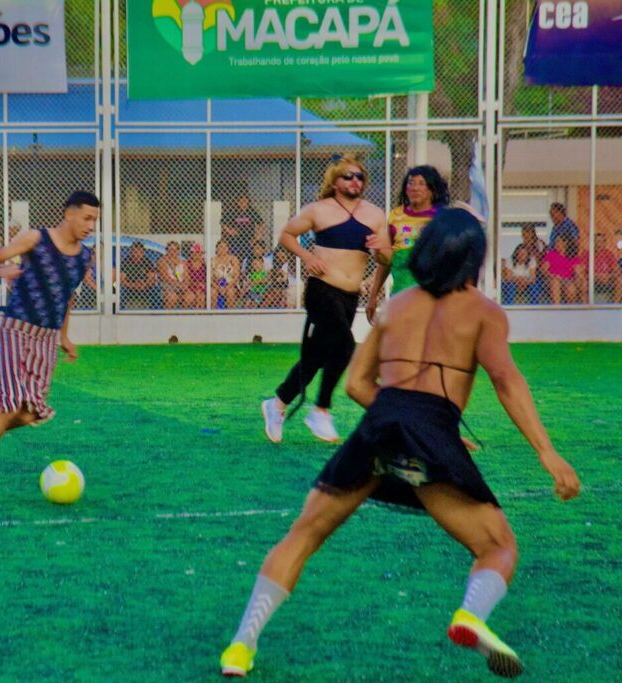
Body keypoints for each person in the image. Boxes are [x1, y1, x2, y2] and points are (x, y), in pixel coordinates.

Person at [220, 208, 581, 679]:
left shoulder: (398, 306)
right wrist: (545, 452)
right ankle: (471, 615)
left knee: (303, 535)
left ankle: (240, 647)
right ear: (474, 258)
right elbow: (506, 380)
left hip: (379, 425)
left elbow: (356, 385)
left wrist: (402, 419)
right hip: (429, 431)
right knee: (498, 547)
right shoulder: (484, 312)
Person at [0, 191, 98, 501]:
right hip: (16, 330)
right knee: (8, 407)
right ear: (69, 214)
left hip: (47, 338)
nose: (91, 226)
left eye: (95, 220)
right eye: (87, 218)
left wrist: (64, 336)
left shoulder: (85, 256)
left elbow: (67, 297)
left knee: (31, 413)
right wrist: (0, 270)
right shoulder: (35, 238)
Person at [262, 154, 388, 444]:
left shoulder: (375, 215)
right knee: (345, 344)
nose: (355, 181)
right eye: (348, 176)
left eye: (359, 176)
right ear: (334, 181)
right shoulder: (318, 210)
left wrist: (381, 249)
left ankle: (277, 403)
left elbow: (386, 258)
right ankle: (321, 410)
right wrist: (307, 257)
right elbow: (286, 235)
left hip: (350, 296)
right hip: (322, 290)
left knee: (316, 357)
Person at [365, 165, 450, 323]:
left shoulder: (443, 217)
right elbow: (387, 261)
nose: (415, 188)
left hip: (433, 300)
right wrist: (373, 295)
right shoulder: (395, 216)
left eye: (421, 183)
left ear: (432, 190)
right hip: (401, 298)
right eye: (411, 183)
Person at [221, 194, 264, 268]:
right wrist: (230, 231)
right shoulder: (233, 211)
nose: (243, 203)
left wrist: (257, 237)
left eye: (245, 201)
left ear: (248, 201)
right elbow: (222, 223)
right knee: (235, 258)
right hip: (235, 241)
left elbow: (261, 224)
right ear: (238, 202)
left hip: (249, 241)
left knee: (248, 259)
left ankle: (246, 272)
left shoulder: (251, 211)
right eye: (241, 201)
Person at [542, 233, 585, 305]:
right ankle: (557, 307)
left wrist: (579, 275)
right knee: (555, 283)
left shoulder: (572, 256)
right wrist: (553, 276)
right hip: (553, 278)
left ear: (565, 243)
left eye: (558, 241)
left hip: (568, 280)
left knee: (571, 289)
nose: (556, 243)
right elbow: (543, 270)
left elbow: (578, 270)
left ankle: (571, 309)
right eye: (556, 242)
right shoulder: (551, 254)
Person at [120, 241, 159, 309]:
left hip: (144, 287)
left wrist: (145, 284)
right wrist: (133, 285)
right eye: (135, 252)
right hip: (129, 288)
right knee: (120, 292)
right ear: (131, 252)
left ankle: (154, 312)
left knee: (156, 292)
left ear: (143, 253)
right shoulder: (125, 262)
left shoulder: (147, 262)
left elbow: (152, 278)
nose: (136, 254)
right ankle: (120, 311)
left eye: (139, 252)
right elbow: (122, 280)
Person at [158, 240, 194, 309]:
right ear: (167, 250)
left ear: (178, 251)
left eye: (175, 250)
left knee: (190, 296)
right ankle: (169, 314)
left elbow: (187, 276)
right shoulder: (162, 261)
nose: (172, 252)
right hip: (168, 286)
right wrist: (179, 285)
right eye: (170, 249)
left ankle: (182, 313)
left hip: (182, 286)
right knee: (172, 297)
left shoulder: (183, 262)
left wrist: (185, 285)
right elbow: (165, 278)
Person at [210, 240, 242, 309]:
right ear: (217, 249)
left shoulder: (233, 259)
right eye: (221, 247)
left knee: (230, 292)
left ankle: (229, 313)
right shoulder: (212, 260)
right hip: (216, 285)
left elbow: (236, 276)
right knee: (213, 293)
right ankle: (213, 313)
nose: (223, 249)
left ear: (228, 248)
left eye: (225, 247)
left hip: (231, 284)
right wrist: (218, 288)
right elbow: (210, 278)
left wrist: (227, 287)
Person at [592, 232, 622, 303]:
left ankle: (614, 305)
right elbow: (583, 271)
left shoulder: (609, 254)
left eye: (601, 242)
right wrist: (597, 276)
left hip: (607, 279)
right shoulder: (587, 254)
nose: (599, 244)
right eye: (597, 241)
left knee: (620, 280)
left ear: (604, 243)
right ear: (593, 243)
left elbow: (617, 270)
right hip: (593, 279)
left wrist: (609, 276)